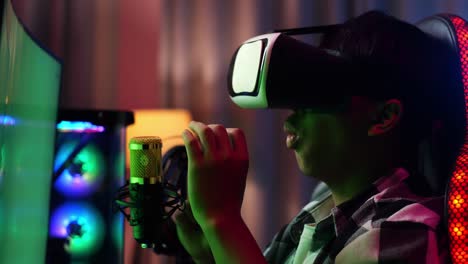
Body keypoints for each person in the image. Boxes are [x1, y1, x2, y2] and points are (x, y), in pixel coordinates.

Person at [175, 10, 456, 263]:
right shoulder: (319, 211)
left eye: (313, 97)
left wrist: (223, 221)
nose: (291, 117)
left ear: (382, 117)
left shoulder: (403, 232)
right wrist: (210, 253)